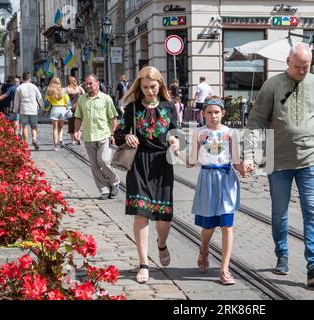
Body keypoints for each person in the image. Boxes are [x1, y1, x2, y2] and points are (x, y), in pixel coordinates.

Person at [242, 42, 314, 287]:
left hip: (311, 159)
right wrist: (249, 154)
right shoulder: (272, 85)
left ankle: (313, 266)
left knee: (312, 212)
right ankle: (282, 254)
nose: (302, 71)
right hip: (278, 160)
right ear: (287, 62)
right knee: (279, 213)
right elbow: (255, 122)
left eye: (306, 67)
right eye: (298, 67)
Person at [114, 66, 181, 284]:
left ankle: (161, 244)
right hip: (140, 163)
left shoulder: (169, 107)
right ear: (139, 87)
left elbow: (176, 131)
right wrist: (127, 138)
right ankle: (144, 263)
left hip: (163, 163)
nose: (149, 91)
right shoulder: (132, 108)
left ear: (160, 85)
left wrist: (175, 140)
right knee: (141, 213)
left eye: (153, 87)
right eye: (145, 88)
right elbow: (118, 133)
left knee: (163, 216)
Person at [184, 95, 244, 285]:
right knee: (208, 226)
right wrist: (176, 150)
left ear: (223, 113)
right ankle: (204, 248)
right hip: (207, 179)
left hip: (226, 180)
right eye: (209, 112)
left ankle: (224, 270)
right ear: (203, 114)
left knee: (227, 226)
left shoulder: (231, 133)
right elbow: (191, 162)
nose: (213, 116)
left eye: (217, 112)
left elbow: (236, 162)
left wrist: (245, 167)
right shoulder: (199, 134)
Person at [74, 74, 120, 200]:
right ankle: (104, 189)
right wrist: (76, 131)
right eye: (86, 84)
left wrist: (112, 134)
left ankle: (114, 180)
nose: (88, 86)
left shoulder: (106, 99)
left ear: (97, 83)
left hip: (103, 135)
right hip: (88, 137)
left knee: (104, 160)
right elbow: (78, 117)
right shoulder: (82, 99)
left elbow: (113, 118)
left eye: (90, 83)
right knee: (94, 165)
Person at [13, 72, 44, 150]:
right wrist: (43, 108)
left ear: (22, 79)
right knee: (34, 126)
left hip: (24, 109)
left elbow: (16, 101)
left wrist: (15, 110)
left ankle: (25, 144)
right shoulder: (34, 87)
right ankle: (34, 139)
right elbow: (39, 98)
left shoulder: (19, 88)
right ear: (30, 78)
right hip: (33, 109)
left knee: (24, 127)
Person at [43, 77, 72, 151]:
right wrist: (69, 108)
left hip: (55, 109)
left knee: (55, 128)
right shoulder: (63, 90)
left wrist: (45, 110)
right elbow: (67, 101)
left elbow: (47, 103)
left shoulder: (50, 91)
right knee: (61, 127)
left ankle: (55, 146)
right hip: (63, 109)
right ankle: (61, 139)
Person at [65, 76, 85, 145]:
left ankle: (73, 140)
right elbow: (85, 96)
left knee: (71, 124)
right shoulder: (79, 88)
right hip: (79, 108)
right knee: (79, 123)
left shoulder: (66, 89)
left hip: (70, 108)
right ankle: (78, 137)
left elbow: (63, 98)